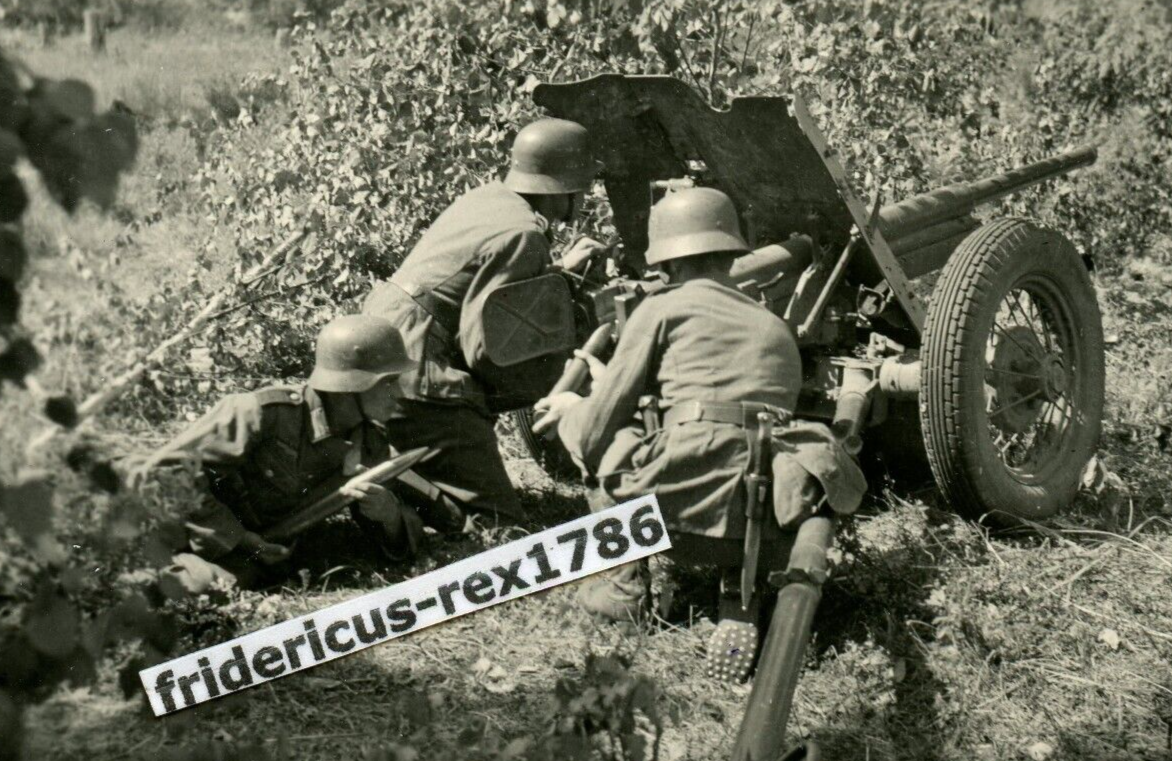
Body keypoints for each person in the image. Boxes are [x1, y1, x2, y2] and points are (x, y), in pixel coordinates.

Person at [534, 187, 867, 622]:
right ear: (731, 251)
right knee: (746, 441)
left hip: (675, 526)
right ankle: (739, 577)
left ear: (667, 259)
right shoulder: (775, 328)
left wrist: (569, 409)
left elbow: (597, 429)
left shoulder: (660, 310)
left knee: (605, 437)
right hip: (769, 527)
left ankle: (623, 590)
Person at [361, 117, 607, 524]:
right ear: (565, 190)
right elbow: (486, 353)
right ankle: (393, 487)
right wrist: (557, 368)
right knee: (496, 522)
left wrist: (557, 274)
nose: (582, 201)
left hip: (384, 343)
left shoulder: (489, 199)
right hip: (422, 374)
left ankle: (400, 465)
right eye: (582, 190)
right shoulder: (523, 235)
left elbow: (469, 287)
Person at [131, 315, 463, 592]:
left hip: (246, 552)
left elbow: (403, 539)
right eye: (389, 382)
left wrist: (389, 516)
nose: (399, 395)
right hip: (170, 519)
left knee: (206, 588)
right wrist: (242, 540)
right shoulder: (261, 413)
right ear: (353, 384)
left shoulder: (368, 445)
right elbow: (166, 473)